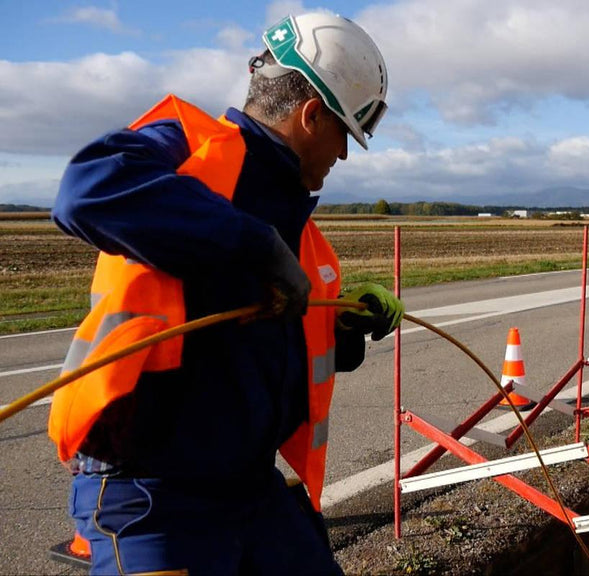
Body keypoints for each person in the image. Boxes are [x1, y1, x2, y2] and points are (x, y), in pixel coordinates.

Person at [48, 12, 401, 575]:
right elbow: (86, 190)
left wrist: (340, 332)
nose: (344, 155)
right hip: (149, 493)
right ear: (312, 116)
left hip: (249, 487)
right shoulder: (183, 149)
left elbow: (255, 346)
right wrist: (251, 246)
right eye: (345, 136)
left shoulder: (303, 236)